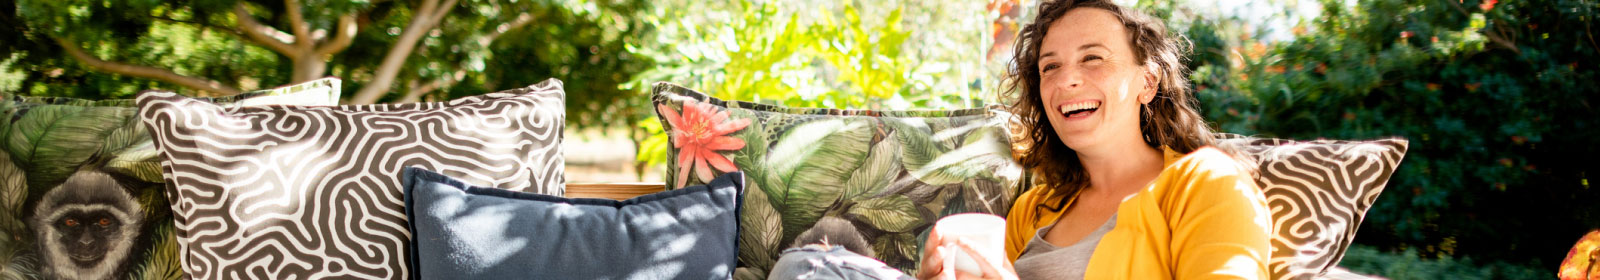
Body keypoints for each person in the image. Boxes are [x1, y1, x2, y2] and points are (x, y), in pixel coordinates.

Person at [768, 0, 1272, 279]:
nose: (1065, 80)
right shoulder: (1037, 206)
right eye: (1050, 67)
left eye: (1092, 58)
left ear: (1148, 81)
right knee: (808, 265)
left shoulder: (1207, 183)